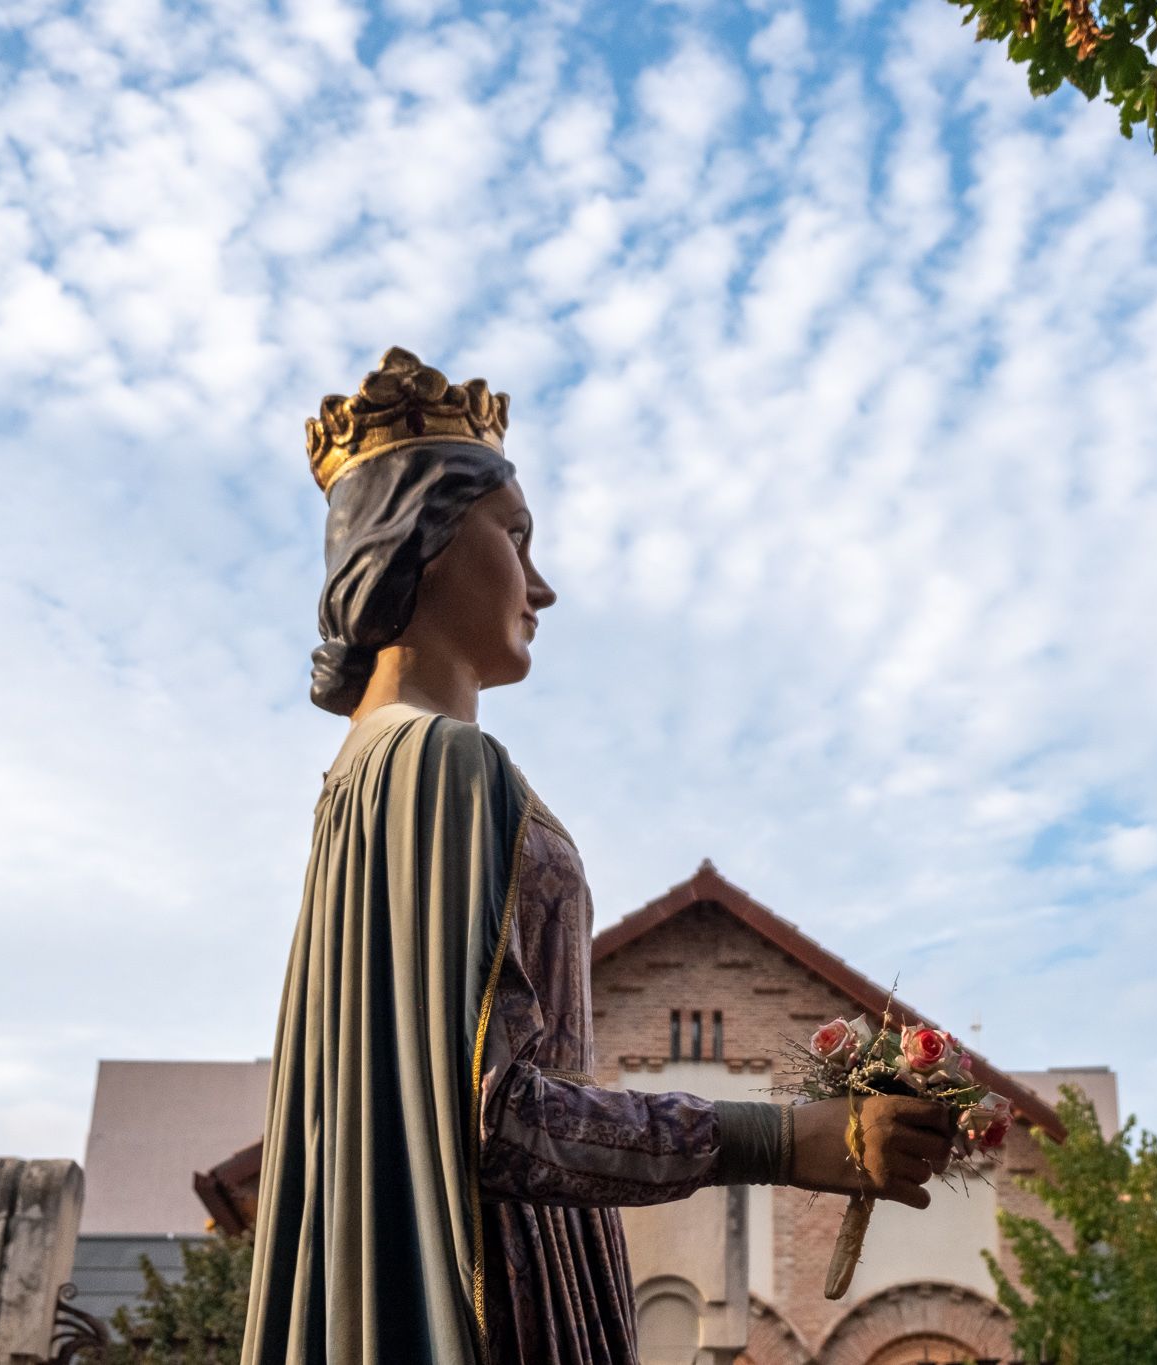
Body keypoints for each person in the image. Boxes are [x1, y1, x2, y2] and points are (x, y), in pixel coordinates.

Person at [241, 349, 956, 1365]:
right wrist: (794, 1140)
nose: (541, 585)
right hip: (500, 1295)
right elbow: (490, 1117)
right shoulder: (441, 763)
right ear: (423, 536)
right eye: (516, 538)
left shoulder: (362, 776)